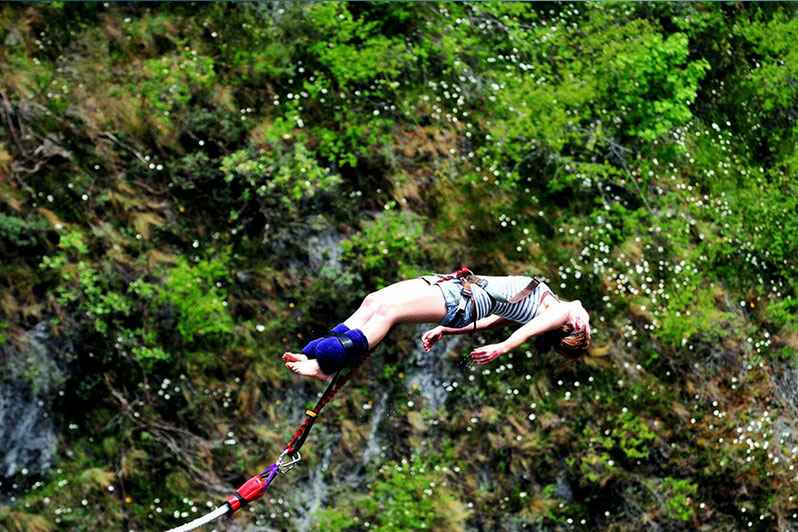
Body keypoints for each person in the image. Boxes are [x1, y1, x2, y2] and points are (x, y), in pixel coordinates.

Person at [282, 267, 592, 381]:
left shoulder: (558, 314)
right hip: (460, 291)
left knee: (388, 312)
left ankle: (327, 364)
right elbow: (494, 321)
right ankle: (319, 353)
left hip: (462, 300)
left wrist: (503, 347)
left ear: (571, 328)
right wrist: (447, 330)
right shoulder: (541, 307)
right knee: (374, 300)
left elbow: (525, 332)